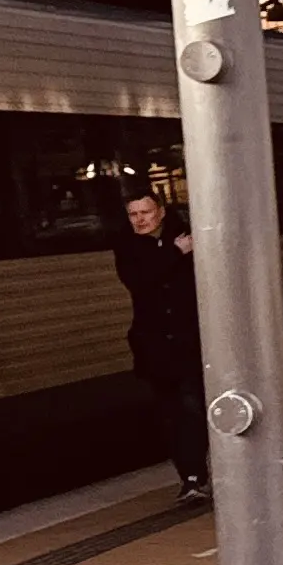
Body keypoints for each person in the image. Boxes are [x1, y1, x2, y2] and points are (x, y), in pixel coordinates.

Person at [111, 183, 209, 504]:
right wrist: (176, 253)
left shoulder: (191, 232)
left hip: (190, 340)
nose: (139, 220)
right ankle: (190, 477)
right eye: (133, 214)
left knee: (193, 406)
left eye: (145, 212)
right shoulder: (127, 246)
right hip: (154, 346)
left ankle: (196, 475)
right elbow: (138, 282)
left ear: (161, 212)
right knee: (171, 414)